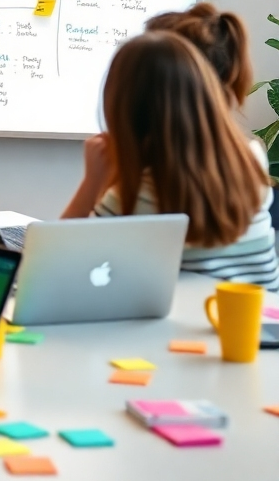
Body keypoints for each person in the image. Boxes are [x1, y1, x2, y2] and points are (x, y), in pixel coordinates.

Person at [62, 31, 279, 290]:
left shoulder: (136, 197)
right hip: (263, 313)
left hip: (194, 317)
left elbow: (54, 263)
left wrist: (92, 182)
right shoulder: (253, 160)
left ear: (124, 111)